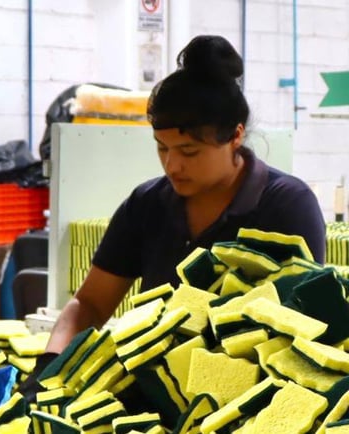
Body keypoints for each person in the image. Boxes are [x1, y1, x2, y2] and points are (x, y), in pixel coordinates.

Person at [22, 35, 326, 398]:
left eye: (189, 151)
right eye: (162, 148)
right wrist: (48, 367)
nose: (172, 165)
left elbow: (300, 328)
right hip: (152, 393)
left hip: (249, 401)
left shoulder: (286, 206)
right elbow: (90, 304)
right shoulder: (147, 204)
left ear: (235, 136)